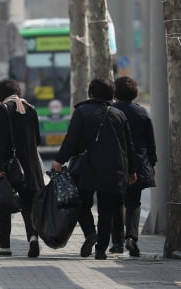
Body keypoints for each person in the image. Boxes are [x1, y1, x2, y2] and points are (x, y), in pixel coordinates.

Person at [52, 77, 137, 260]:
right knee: (107, 211)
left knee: (81, 205)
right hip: (114, 170)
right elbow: (129, 145)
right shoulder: (119, 115)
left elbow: (71, 140)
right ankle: (101, 251)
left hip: (87, 169)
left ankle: (90, 233)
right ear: (111, 95)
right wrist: (132, 171)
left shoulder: (82, 112)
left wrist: (60, 160)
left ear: (90, 94)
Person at [0, 79, 44, 258]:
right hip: (30, 167)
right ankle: (33, 237)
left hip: (9, 166)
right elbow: (38, 140)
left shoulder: (3, 110)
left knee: (3, 204)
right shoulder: (31, 109)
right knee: (28, 204)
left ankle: (5, 246)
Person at [109, 76, 157, 257]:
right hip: (138, 164)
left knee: (116, 202)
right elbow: (150, 143)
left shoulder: (110, 111)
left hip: (116, 165)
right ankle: (132, 237)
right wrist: (152, 163)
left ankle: (117, 243)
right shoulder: (142, 113)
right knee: (134, 203)